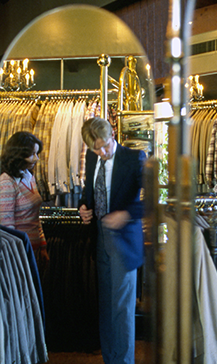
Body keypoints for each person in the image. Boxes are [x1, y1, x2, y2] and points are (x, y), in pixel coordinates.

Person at [79, 117, 146, 364]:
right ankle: (111, 359)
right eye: (95, 148)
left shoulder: (134, 158)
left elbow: (155, 199)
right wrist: (83, 208)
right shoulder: (91, 157)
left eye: (104, 145)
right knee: (106, 305)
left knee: (122, 308)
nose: (101, 152)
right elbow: (88, 193)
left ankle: (124, 361)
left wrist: (126, 214)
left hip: (123, 239)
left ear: (112, 135)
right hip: (99, 236)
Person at [0, 131, 49, 267]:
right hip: (19, 255)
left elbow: (35, 217)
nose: (36, 159)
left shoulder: (29, 177)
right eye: (32, 154)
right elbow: (7, 226)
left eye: (37, 154)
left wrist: (43, 245)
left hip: (33, 251)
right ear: (18, 155)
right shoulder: (6, 182)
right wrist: (16, 256)